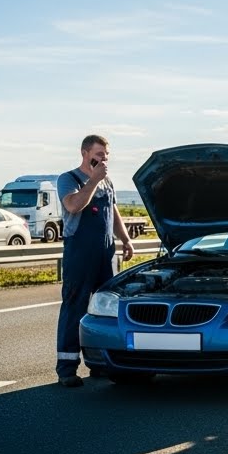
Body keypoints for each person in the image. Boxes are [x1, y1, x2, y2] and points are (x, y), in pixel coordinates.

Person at [54, 134, 134, 387]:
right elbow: (74, 205)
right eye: (99, 154)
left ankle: (101, 362)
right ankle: (67, 368)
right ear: (84, 153)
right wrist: (93, 180)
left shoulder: (107, 182)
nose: (103, 160)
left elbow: (114, 211)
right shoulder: (69, 179)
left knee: (105, 309)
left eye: (106, 155)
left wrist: (125, 239)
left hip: (105, 253)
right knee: (75, 306)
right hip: (80, 252)